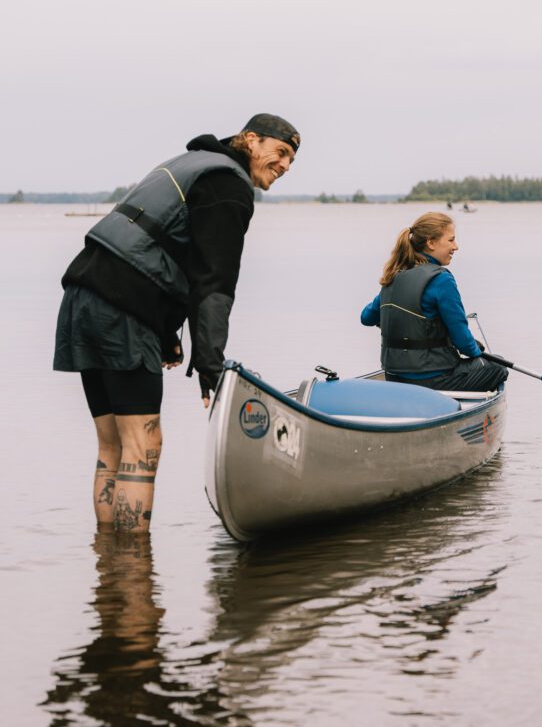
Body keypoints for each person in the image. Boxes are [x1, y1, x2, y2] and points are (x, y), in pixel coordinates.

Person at [53, 113, 300, 532]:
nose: (285, 166)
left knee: (112, 445)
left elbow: (158, 245)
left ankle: (110, 572)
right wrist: (210, 363)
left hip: (83, 297)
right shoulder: (229, 185)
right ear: (251, 140)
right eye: (281, 153)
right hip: (122, 307)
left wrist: (167, 334)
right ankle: (133, 577)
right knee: (143, 445)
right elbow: (215, 282)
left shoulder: (191, 164)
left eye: (292, 161)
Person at [360, 212, 508, 392]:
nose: (456, 247)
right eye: (451, 240)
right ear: (430, 243)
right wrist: (477, 352)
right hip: (434, 380)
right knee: (498, 368)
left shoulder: (395, 275)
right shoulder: (441, 280)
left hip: (394, 377)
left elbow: (366, 317)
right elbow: (464, 343)